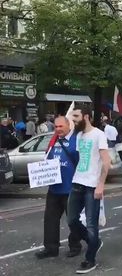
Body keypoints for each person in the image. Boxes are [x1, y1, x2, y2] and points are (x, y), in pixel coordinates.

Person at [67, 105, 111, 274]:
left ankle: (90, 259)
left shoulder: (99, 135)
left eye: (76, 116)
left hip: (92, 185)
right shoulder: (79, 135)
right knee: (72, 220)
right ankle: (95, 242)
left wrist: (100, 185)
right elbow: (82, 160)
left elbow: (106, 162)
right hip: (77, 182)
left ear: (85, 116)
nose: (73, 120)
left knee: (92, 225)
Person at [35, 116, 81, 259]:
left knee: (72, 220)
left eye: (61, 126)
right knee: (50, 219)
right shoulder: (54, 140)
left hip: (70, 189)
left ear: (68, 126)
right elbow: (47, 159)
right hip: (54, 189)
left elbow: (81, 163)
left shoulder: (76, 141)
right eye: (56, 127)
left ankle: (75, 246)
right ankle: (51, 248)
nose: (58, 129)